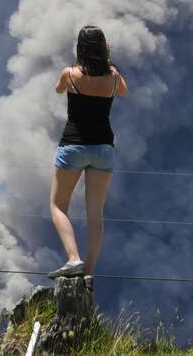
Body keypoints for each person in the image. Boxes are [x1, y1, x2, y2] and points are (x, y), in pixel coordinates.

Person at [47, 25, 127, 288]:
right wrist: (110, 69)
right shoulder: (114, 77)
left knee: (58, 206)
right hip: (103, 148)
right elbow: (123, 91)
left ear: (80, 48)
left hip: (73, 145)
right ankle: (89, 271)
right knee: (96, 213)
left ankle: (73, 259)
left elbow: (59, 89)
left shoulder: (70, 74)